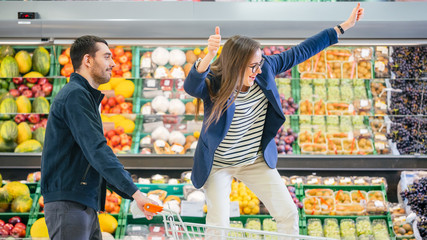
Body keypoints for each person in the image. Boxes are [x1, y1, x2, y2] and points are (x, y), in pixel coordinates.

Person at [184, 3, 364, 238]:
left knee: (288, 213)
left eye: (259, 64)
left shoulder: (266, 68)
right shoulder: (216, 82)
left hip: (254, 160)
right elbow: (191, 86)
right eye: (252, 66)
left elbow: (302, 50)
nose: (258, 70)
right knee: (219, 224)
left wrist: (343, 27)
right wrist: (208, 56)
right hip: (219, 165)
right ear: (234, 64)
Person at [41, 35, 157, 240]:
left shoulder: (84, 96)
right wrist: (134, 193)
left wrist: (130, 194)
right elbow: (96, 149)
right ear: (87, 60)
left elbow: (92, 155)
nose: (113, 63)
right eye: (107, 57)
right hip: (70, 202)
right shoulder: (75, 96)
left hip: (81, 201)